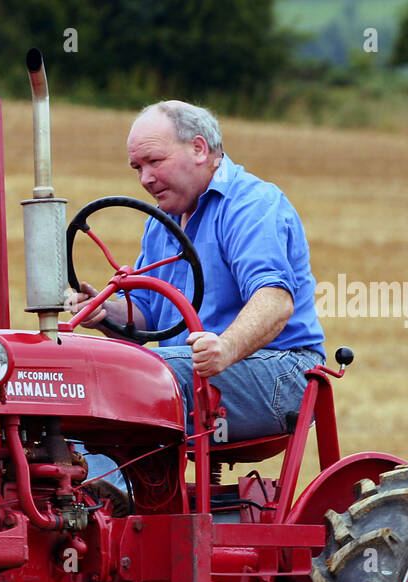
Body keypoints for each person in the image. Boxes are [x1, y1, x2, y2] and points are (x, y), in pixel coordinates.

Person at [67, 100, 326, 444]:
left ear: (199, 149)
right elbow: (146, 316)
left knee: (126, 375)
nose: (145, 179)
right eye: (137, 168)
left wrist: (226, 348)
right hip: (193, 370)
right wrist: (102, 313)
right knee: (73, 368)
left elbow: (275, 301)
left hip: (281, 371)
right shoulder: (163, 222)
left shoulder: (252, 204)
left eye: (154, 161)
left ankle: (106, 492)